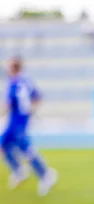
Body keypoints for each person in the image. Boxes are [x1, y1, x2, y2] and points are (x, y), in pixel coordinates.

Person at [1, 57, 57, 196]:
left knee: (26, 149)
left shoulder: (14, 84)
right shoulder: (26, 81)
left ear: (12, 68)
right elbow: (37, 97)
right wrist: (32, 112)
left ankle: (45, 174)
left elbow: (8, 105)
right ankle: (20, 171)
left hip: (16, 122)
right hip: (19, 121)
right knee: (4, 144)